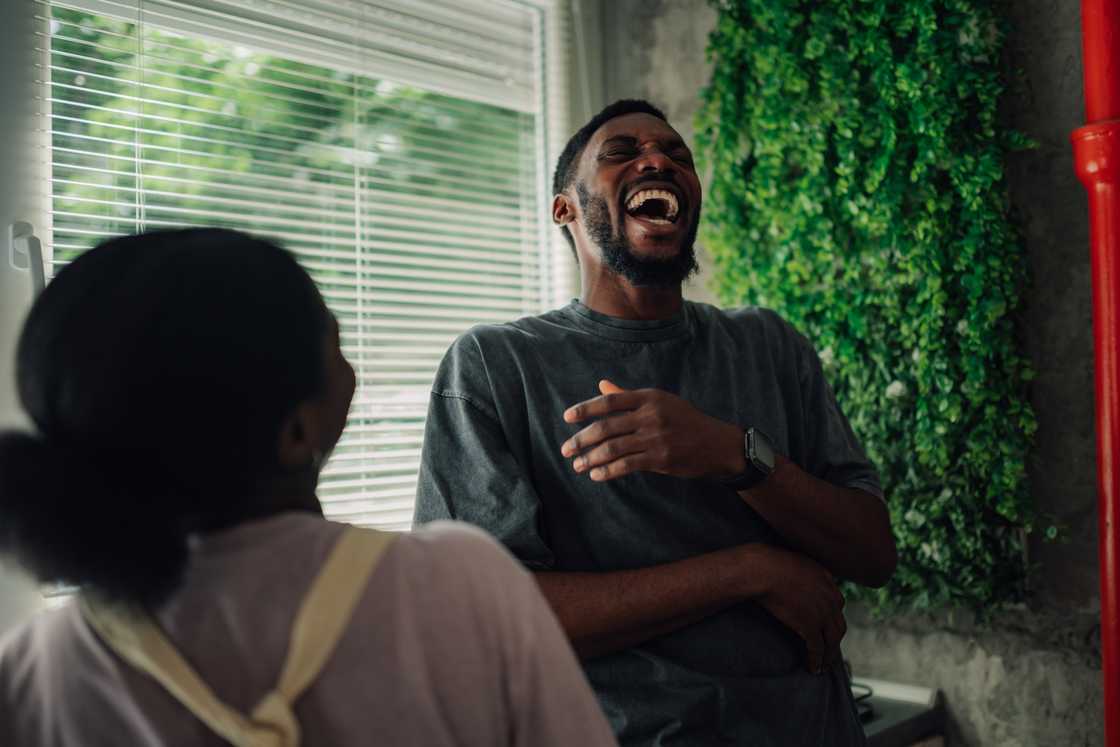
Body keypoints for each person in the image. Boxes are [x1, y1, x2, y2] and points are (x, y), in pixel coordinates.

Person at [0, 228, 617, 747]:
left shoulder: (35, 671)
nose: (354, 371)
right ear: (296, 430)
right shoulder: (454, 586)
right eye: (336, 345)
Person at [413, 100, 898, 746]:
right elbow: (481, 620)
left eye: (678, 155)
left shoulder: (770, 345)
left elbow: (873, 550)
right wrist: (747, 569)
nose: (658, 161)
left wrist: (735, 454)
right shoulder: (496, 366)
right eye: (621, 153)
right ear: (566, 209)